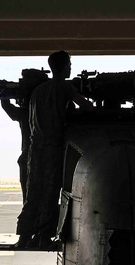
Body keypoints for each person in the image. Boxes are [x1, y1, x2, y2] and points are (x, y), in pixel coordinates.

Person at [16, 51, 92, 247]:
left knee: (33, 193)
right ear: (64, 66)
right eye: (69, 64)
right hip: (52, 147)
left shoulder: (37, 91)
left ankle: (24, 236)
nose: (70, 68)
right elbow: (87, 107)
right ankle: (43, 237)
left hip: (36, 148)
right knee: (51, 192)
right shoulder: (64, 87)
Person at [0, 98, 32, 203]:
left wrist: (3, 94)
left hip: (29, 156)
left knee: (28, 196)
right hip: (46, 155)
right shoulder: (48, 113)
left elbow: (7, 107)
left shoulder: (24, 113)